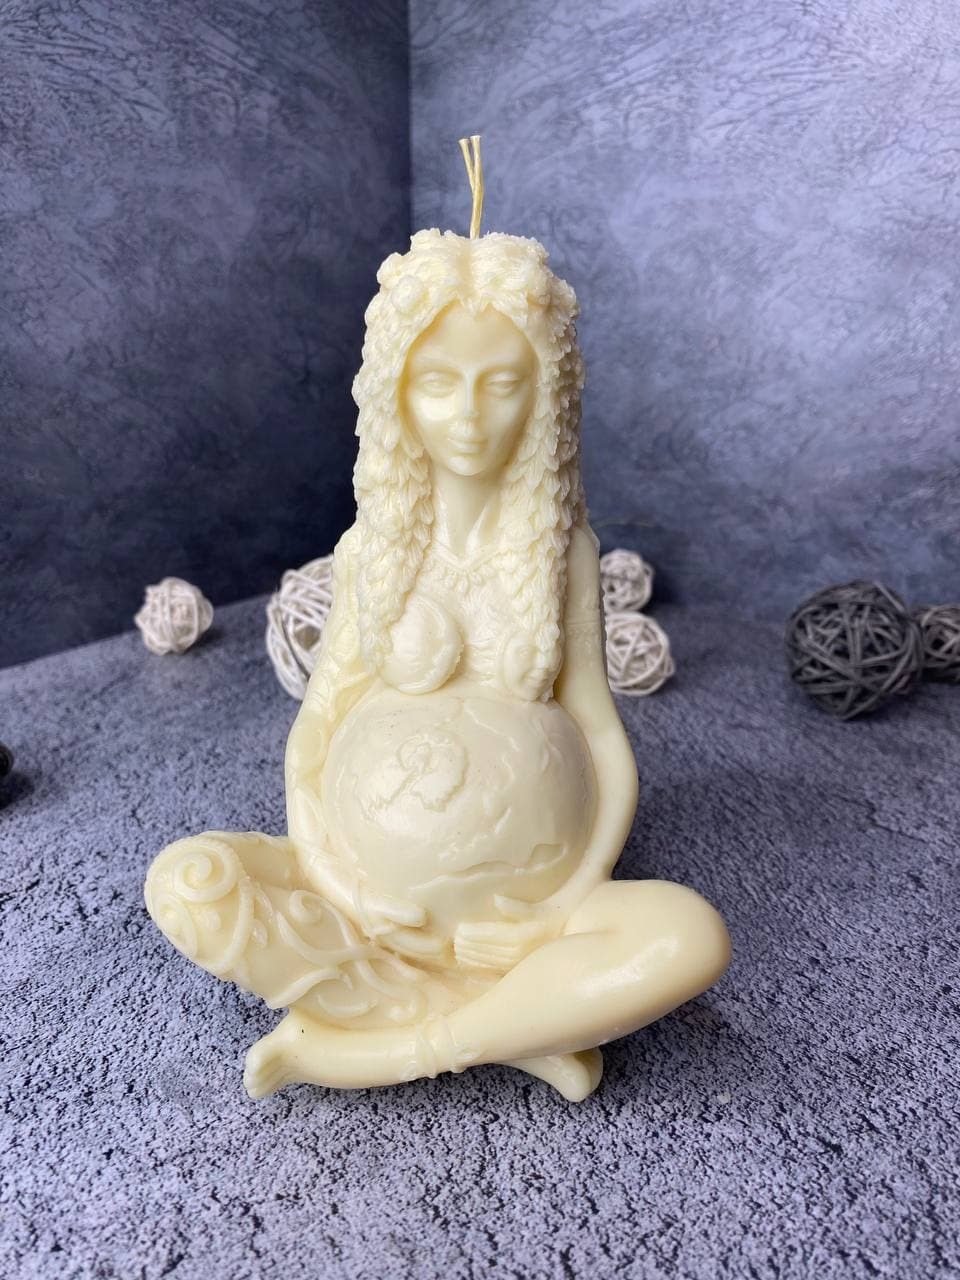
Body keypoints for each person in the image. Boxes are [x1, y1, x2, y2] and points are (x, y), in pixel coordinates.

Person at [145, 229, 730, 1102]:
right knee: (188, 883)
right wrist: (342, 881)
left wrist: (559, 905)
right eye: (438, 382)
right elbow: (315, 735)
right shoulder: (371, 551)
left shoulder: (561, 552)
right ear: (396, 391)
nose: (469, 416)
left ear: (547, 394)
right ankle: (528, 1021)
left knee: (691, 935)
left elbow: (602, 736)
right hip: (369, 905)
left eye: (503, 384)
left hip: (528, 915)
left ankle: (388, 1043)